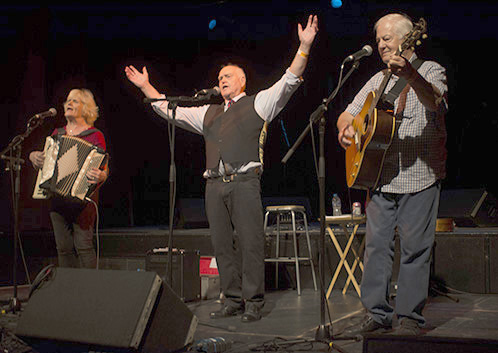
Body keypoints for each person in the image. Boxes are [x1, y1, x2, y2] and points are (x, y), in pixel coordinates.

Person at [125, 15, 319, 322]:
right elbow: (169, 109)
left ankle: (253, 301)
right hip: (214, 185)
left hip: (244, 182)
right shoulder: (208, 112)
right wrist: (146, 85)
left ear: (242, 81)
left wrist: (304, 46)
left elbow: (289, 81)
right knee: (221, 245)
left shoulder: (259, 103)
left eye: (228, 75)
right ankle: (232, 300)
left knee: (250, 242)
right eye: (219, 77)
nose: (222, 80)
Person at [337, 13, 448, 335]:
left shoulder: (429, 70)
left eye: (387, 38)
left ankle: (409, 318)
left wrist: (411, 74)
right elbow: (348, 114)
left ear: (407, 39)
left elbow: (434, 101)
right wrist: (345, 130)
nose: (381, 44)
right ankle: (377, 313)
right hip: (380, 177)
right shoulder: (377, 80)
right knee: (376, 247)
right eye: (379, 38)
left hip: (420, 175)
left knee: (415, 248)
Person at [29, 88, 109, 269]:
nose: (69, 103)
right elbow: (45, 163)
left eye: (75, 100)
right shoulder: (56, 134)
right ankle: (70, 291)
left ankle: (91, 293)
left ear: (86, 108)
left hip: (83, 202)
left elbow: (104, 167)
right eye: (68, 100)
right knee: (63, 248)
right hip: (57, 199)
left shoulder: (95, 135)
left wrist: (102, 175)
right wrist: (33, 157)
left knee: (84, 247)